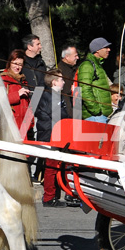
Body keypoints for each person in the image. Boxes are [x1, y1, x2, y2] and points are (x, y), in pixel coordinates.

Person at [34, 68, 72, 207]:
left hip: (54, 134)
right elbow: (60, 115)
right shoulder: (50, 96)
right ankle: (49, 197)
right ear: (54, 81)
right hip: (50, 135)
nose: (63, 82)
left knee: (57, 165)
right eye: (61, 79)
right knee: (51, 167)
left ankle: (56, 194)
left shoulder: (54, 95)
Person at [77, 38, 113, 122]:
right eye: (106, 47)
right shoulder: (87, 65)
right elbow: (84, 90)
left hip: (101, 116)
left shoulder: (98, 65)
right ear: (97, 50)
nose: (109, 49)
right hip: (95, 117)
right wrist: (97, 111)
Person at [0, 49, 33, 138]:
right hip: (11, 126)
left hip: (24, 127)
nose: (17, 67)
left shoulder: (23, 80)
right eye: (15, 63)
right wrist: (17, 94)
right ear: (10, 63)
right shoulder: (3, 78)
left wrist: (31, 120)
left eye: (20, 64)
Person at [57, 44, 80, 114]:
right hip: (69, 111)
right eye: (75, 56)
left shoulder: (74, 68)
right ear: (66, 57)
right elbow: (65, 94)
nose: (78, 58)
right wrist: (70, 114)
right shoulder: (60, 71)